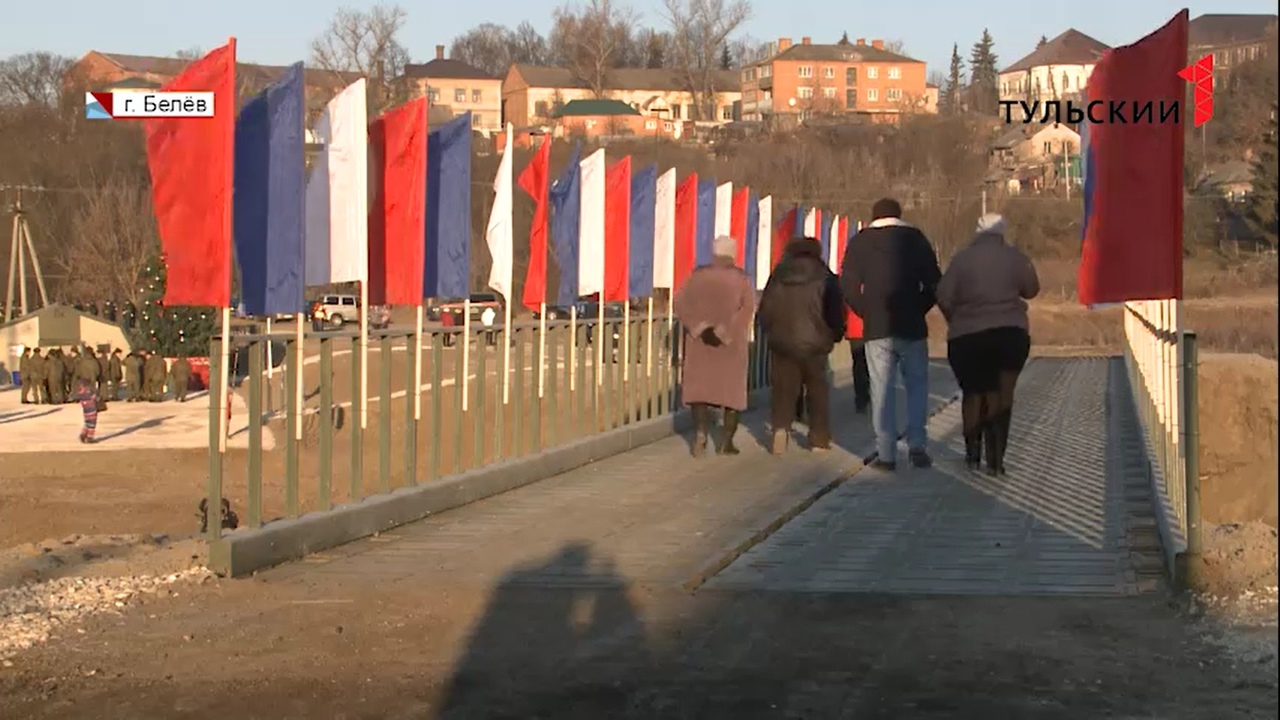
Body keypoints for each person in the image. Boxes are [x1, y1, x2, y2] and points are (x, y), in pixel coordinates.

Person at [840, 197, 941, 471]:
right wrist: (918, 308)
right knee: (917, 387)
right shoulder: (916, 239)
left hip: (877, 329)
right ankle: (918, 446)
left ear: (874, 216)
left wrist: (866, 311)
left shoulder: (860, 241)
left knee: (881, 389)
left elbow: (847, 285)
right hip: (912, 326)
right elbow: (935, 282)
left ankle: (886, 454)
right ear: (899, 214)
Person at [937, 213, 1040, 476]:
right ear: (1002, 232)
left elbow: (944, 295)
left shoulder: (960, 260)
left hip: (967, 336)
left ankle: (972, 455)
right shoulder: (1016, 258)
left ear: (978, 231)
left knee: (973, 394)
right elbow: (1031, 289)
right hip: (1010, 334)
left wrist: (956, 320)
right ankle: (996, 461)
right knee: (1002, 396)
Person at [758, 236, 846, 455]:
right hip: (815, 343)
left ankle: (780, 429)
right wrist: (835, 334)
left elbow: (765, 310)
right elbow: (835, 311)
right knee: (817, 390)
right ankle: (818, 438)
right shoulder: (825, 276)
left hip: (783, 343)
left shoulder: (778, 275)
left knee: (783, 389)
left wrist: (770, 330)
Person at [673, 234, 757, 457]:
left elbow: (679, 302)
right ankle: (726, 443)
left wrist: (697, 326)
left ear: (714, 253)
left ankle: (700, 434)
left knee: (699, 391)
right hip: (729, 346)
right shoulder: (741, 280)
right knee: (731, 393)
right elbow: (747, 309)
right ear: (733, 254)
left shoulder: (696, 277)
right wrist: (725, 331)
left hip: (698, 343)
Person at [74, 378, 99, 444]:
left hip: (86, 411)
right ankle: (89, 437)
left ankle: (83, 434)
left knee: (87, 423)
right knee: (92, 424)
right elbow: (95, 398)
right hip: (92, 410)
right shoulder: (88, 392)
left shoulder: (80, 393)